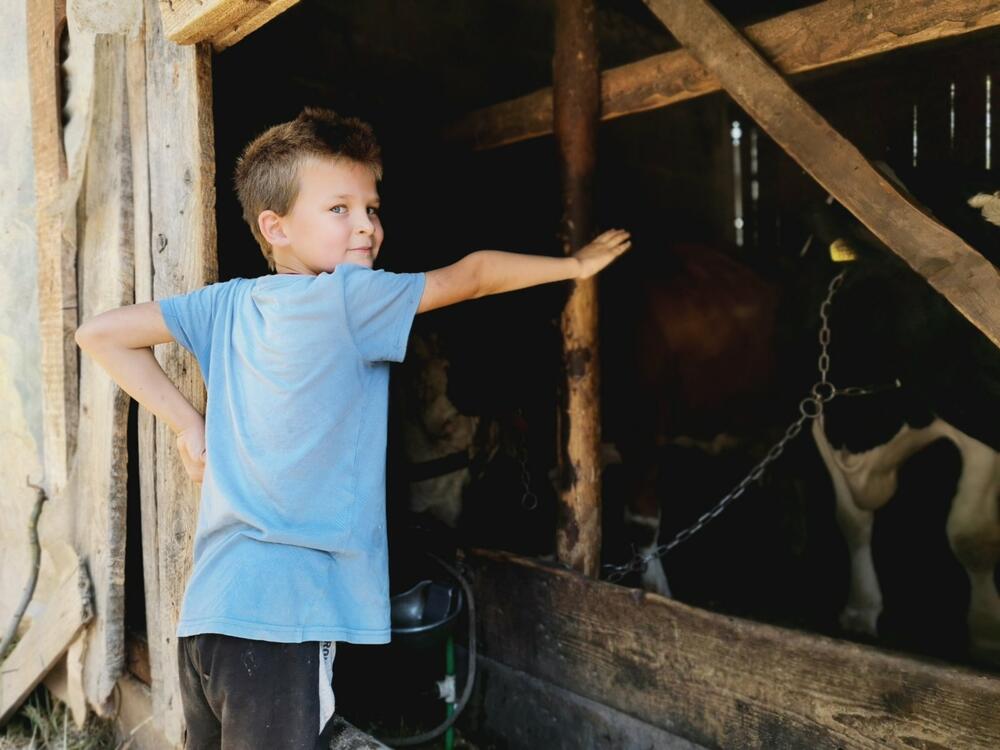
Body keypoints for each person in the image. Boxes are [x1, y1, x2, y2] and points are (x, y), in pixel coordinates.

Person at [74, 106, 631, 749]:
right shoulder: (351, 298)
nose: (366, 225)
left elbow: (100, 334)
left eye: (371, 207)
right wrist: (575, 267)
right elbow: (475, 275)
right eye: (339, 209)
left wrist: (189, 425)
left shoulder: (223, 303)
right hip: (284, 622)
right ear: (275, 227)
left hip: (209, 618)